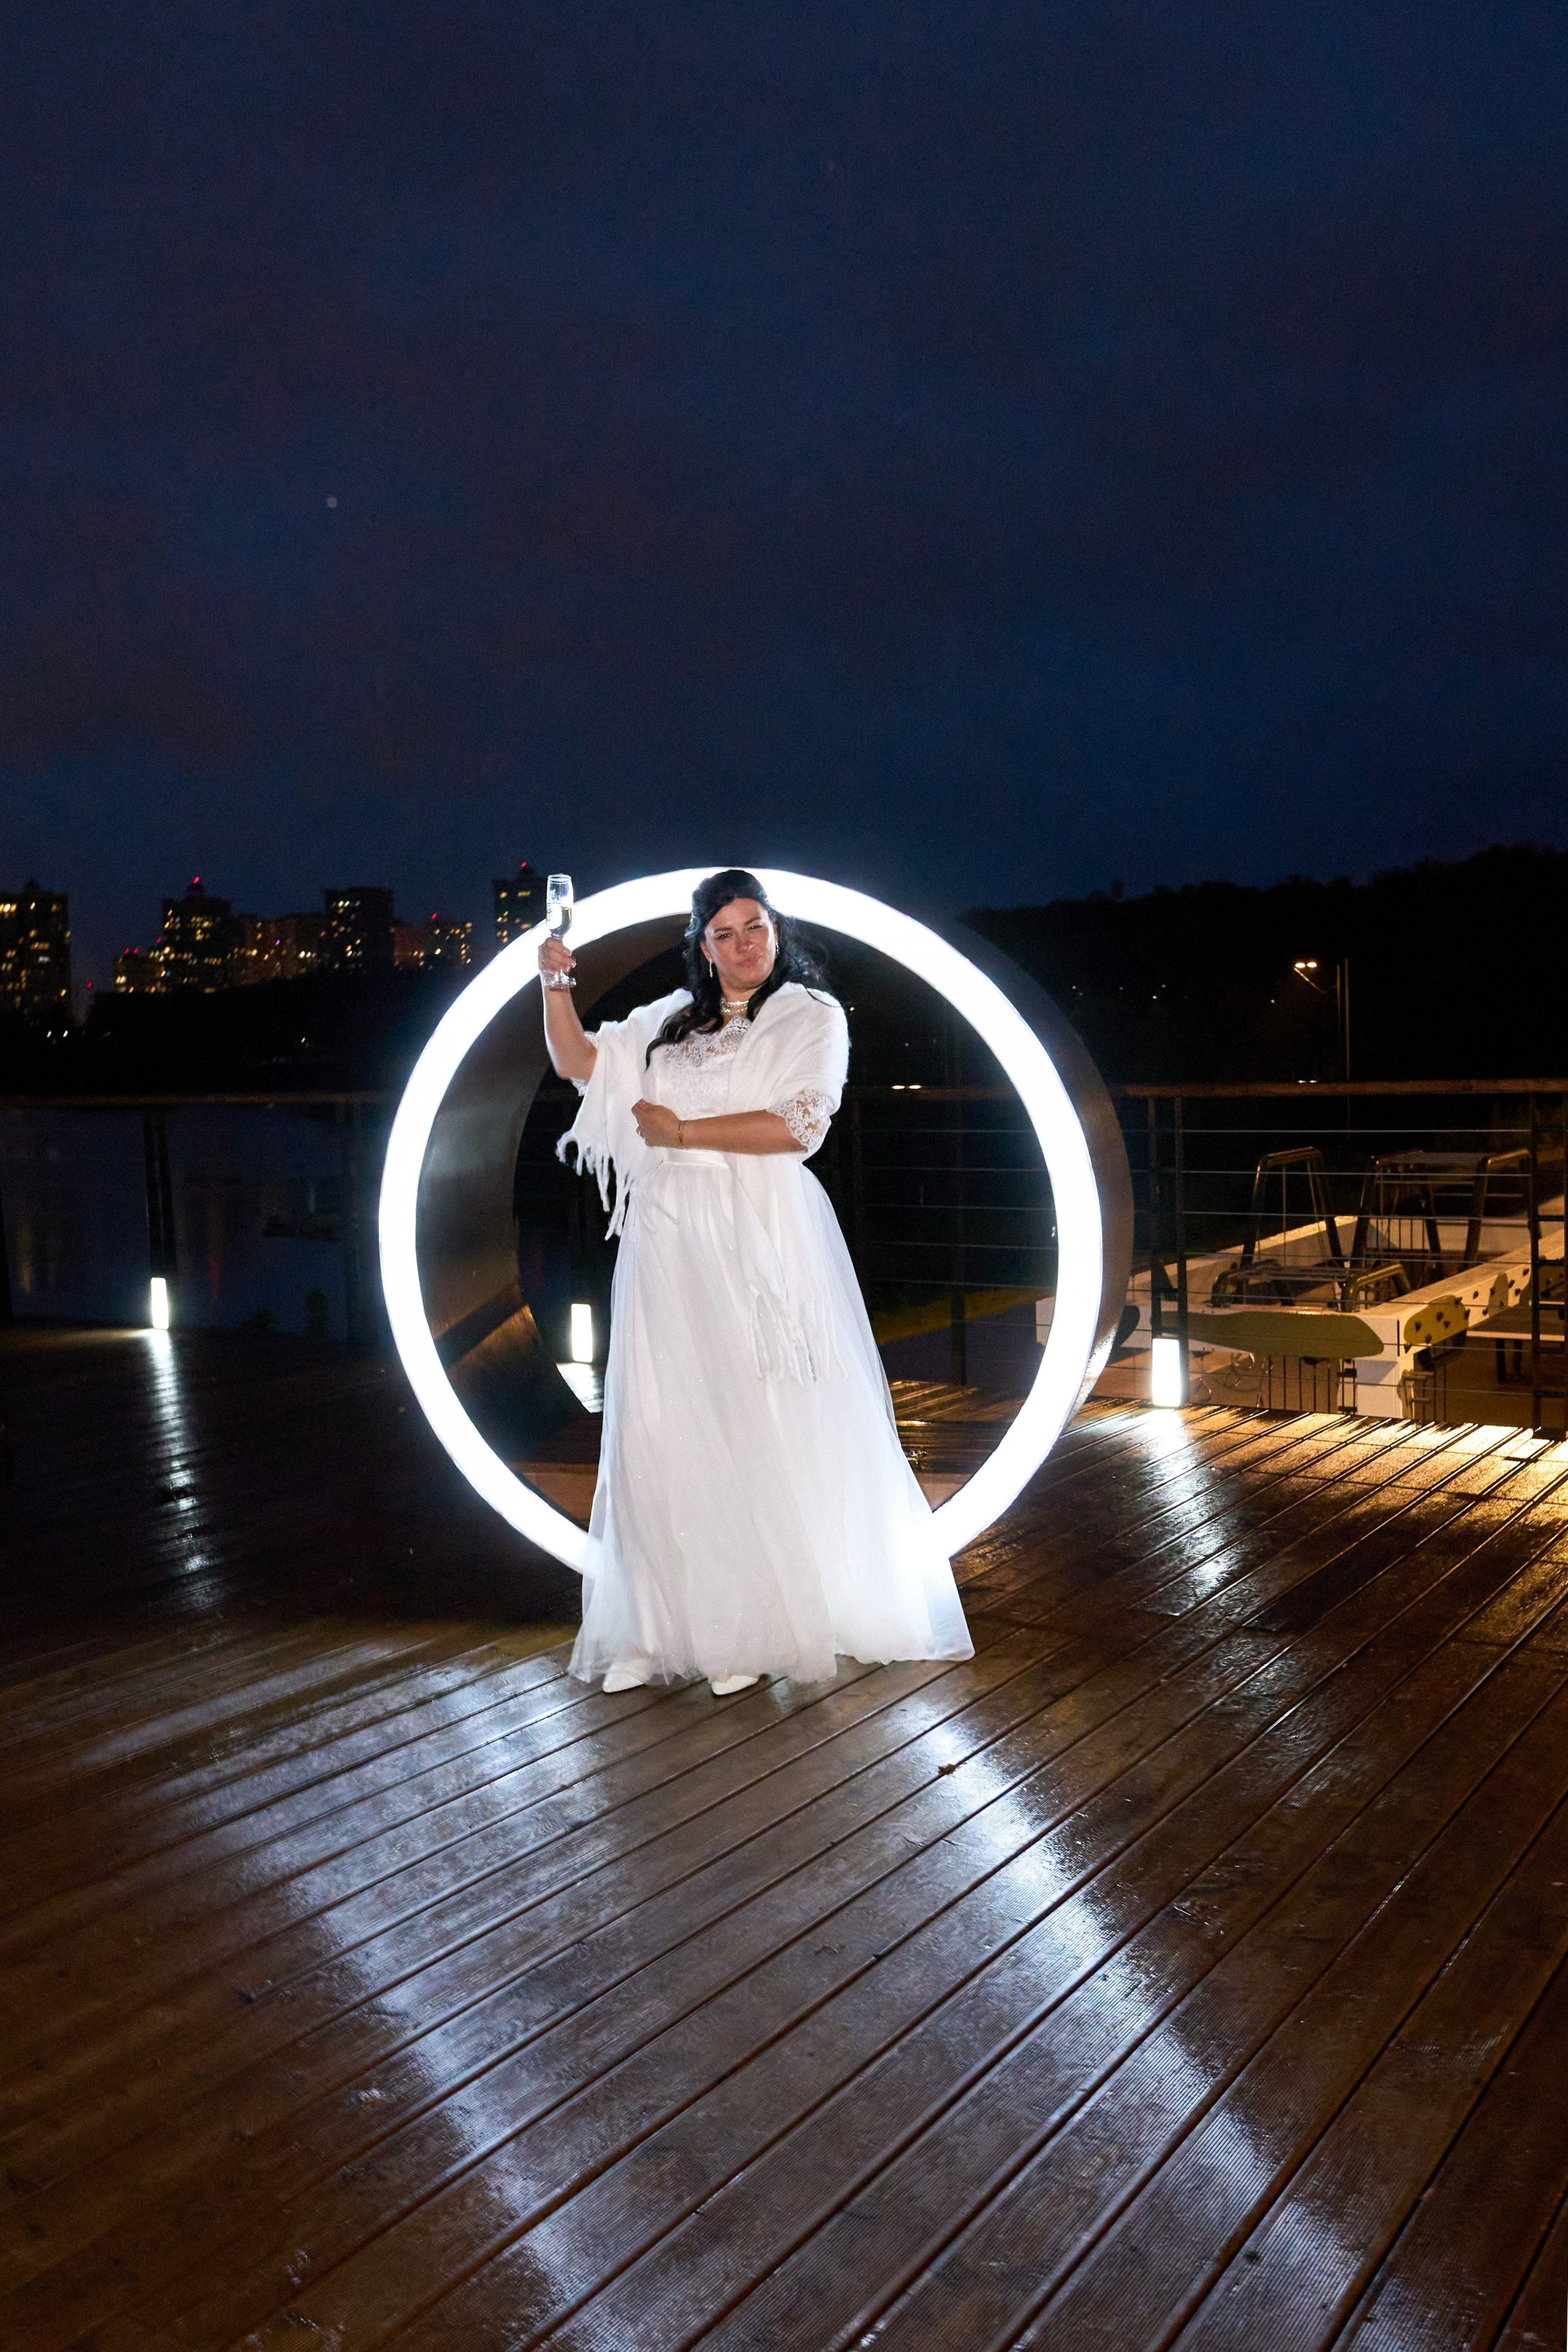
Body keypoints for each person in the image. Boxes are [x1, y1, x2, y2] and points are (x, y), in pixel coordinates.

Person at [540, 868, 973, 1695]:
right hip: (669, 1233)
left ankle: (751, 1631)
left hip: (758, 1227)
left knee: (756, 1414)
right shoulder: (670, 1019)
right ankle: (661, 1626)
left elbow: (801, 1125)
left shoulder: (811, 1016)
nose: (745, 945)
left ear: (777, 931)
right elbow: (584, 1067)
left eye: (757, 928)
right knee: (663, 1419)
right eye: (727, 933)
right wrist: (557, 985)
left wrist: (683, 1129)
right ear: (702, 946)